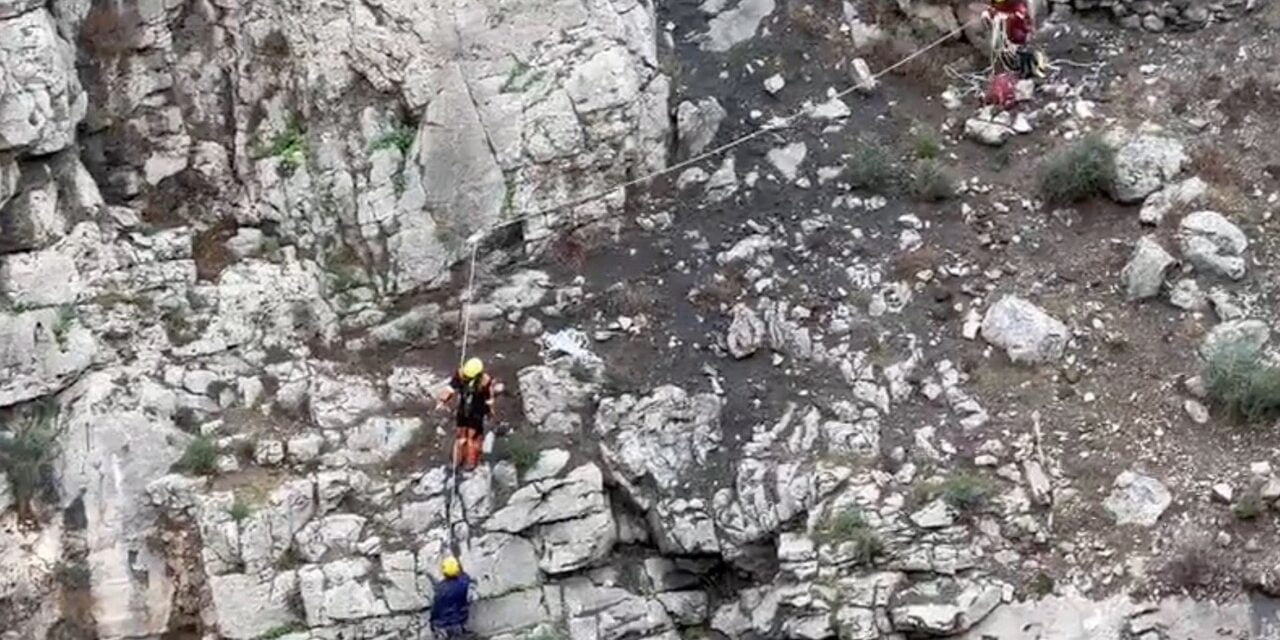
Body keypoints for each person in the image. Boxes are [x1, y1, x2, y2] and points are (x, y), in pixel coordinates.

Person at [438, 357, 496, 471]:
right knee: (460, 435)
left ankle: (470, 462)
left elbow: (489, 399)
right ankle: (456, 460)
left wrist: (490, 411)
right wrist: (443, 399)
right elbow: (450, 388)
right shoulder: (461, 375)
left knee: (472, 437)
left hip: (477, 411)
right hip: (463, 409)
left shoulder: (485, 381)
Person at [984, 0, 1048, 79]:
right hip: (1012, 39)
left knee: (1024, 53)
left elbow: (1023, 15)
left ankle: (1032, 71)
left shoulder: (1020, 6)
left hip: (1021, 36)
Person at [429, 556, 471, 637]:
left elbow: (435, 610)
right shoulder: (464, 583)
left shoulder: (440, 589)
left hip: (443, 625)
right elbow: (466, 577)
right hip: (459, 622)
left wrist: (432, 622)